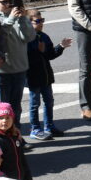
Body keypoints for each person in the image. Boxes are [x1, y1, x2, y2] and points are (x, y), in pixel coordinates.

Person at [0, 0, 35, 125]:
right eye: (4, 2)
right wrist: (11, 20)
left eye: (10, 1)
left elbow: (29, 37)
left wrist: (22, 19)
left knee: (16, 108)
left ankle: (16, 137)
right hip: (2, 72)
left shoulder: (16, 15)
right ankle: (3, 139)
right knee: (2, 109)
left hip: (19, 69)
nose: (8, 5)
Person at [25, 9, 71, 140]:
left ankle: (49, 126)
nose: (41, 23)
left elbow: (50, 54)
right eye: (37, 21)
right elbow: (26, 57)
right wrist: (36, 50)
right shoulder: (26, 38)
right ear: (28, 23)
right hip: (33, 77)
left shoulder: (44, 36)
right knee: (35, 103)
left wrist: (60, 46)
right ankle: (35, 128)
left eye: (42, 20)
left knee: (49, 101)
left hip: (46, 76)